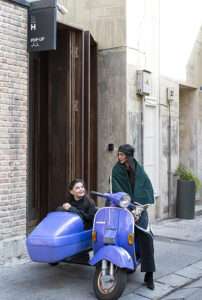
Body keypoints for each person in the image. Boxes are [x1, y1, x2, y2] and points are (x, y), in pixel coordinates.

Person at [112, 144, 156, 290]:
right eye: (118, 154)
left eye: (122, 155)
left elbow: (146, 189)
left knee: (146, 238)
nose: (119, 157)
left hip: (139, 210)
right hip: (122, 209)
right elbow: (116, 190)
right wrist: (128, 209)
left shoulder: (139, 169)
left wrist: (138, 210)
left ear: (129, 156)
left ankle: (149, 275)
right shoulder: (116, 170)